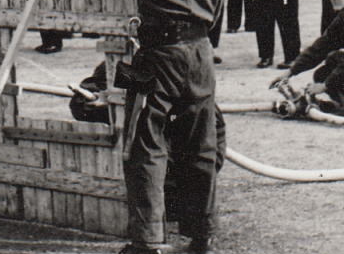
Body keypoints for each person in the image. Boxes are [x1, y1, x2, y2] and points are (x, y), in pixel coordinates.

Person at [52, 0, 225, 254]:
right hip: (201, 54)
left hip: (158, 55)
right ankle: (202, 234)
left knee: (144, 145)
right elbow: (216, 15)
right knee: (201, 143)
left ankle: (146, 245)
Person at [69, 59, 227, 242]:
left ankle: (182, 232)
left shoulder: (179, 67)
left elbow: (214, 135)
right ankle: (192, 232)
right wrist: (109, 107)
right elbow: (80, 104)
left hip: (175, 177)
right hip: (162, 175)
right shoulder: (120, 64)